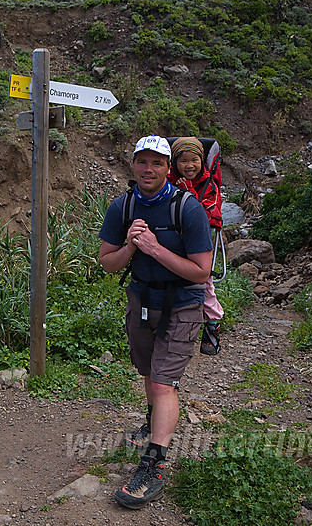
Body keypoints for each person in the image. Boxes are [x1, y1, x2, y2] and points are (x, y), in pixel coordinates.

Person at [98, 135, 213, 509]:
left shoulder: (188, 209)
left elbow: (201, 272)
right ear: (133, 165)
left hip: (182, 304)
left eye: (157, 163)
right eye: (141, 162)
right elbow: (107, 263)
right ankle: (151, 424)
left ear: (169, 168)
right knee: (148, 370)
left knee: (164, 383)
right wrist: (131, 246)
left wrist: (154, 249)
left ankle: (154, 465)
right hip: (143, 301)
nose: (148, 170)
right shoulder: (123, 206)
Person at [167, 136, 224, 355]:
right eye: (183, 161)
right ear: (174, 163)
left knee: (205, 284)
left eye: (194, 160)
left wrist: (188, 193)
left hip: (197, 245)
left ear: (202, 161)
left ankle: (212, 325)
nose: (189, 165)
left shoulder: (210, 185)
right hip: (171, 242)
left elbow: (209, 213)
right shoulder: (168, 180)